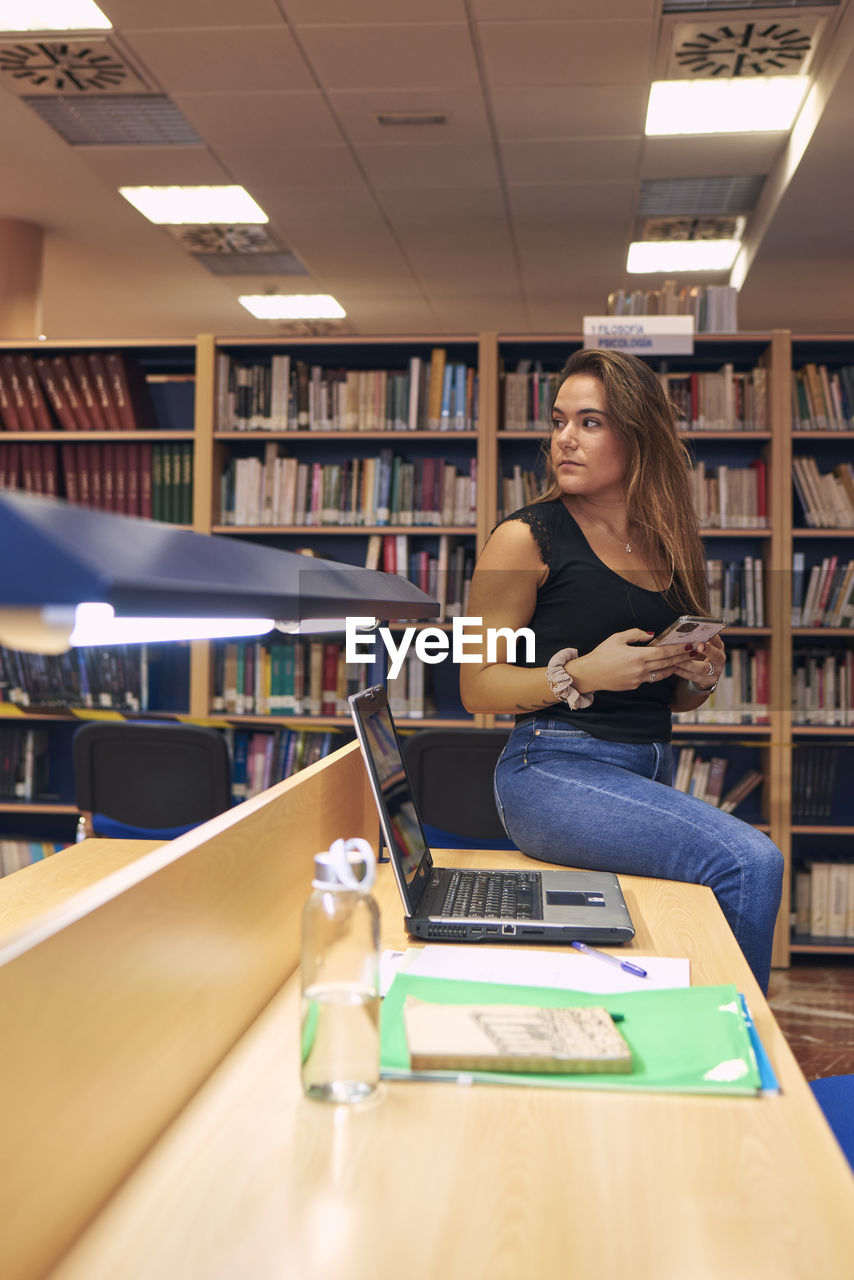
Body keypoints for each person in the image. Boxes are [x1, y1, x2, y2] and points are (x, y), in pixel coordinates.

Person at [460, 348, 783, 993]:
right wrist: (582, 673)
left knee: (683, 916)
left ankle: (686, 1029)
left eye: (590, 423)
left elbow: (673, 700)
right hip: (550, 770)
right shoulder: (524, 537)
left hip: (649, 767)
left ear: (637, 437)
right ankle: (734, 1053)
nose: (565, 440)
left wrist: (698, 675)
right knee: (750, 863)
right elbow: (475, 685)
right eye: (559, 422)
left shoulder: (669, 541)